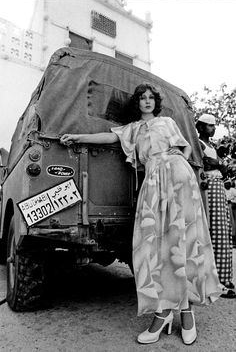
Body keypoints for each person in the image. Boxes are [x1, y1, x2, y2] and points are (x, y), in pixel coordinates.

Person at [60, 84, 222, 345]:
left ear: (155, 102)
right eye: (142, 98)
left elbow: (186, 147)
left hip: (179, 177)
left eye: (150, 98)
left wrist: (180, 157)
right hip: (153, 180)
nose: (147, 101)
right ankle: (164, 311)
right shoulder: (132, 129)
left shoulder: (167, 121)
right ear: (137, 103)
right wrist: (78, 137)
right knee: (155, 246)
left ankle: (186, 311)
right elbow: (109, 137)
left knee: (185, 239)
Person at [196, 113, 236, 298]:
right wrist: (218, 164)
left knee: (222, 232)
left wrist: (218, 163)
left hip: (218, 188)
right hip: (208, 189)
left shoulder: (211, 146)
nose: (213, 129)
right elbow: (206, 164)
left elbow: (222, 167)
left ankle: (222, 278)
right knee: (213, 232)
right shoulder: (199, 144)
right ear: (202, 127)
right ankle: (214, 281)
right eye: (210, 126)